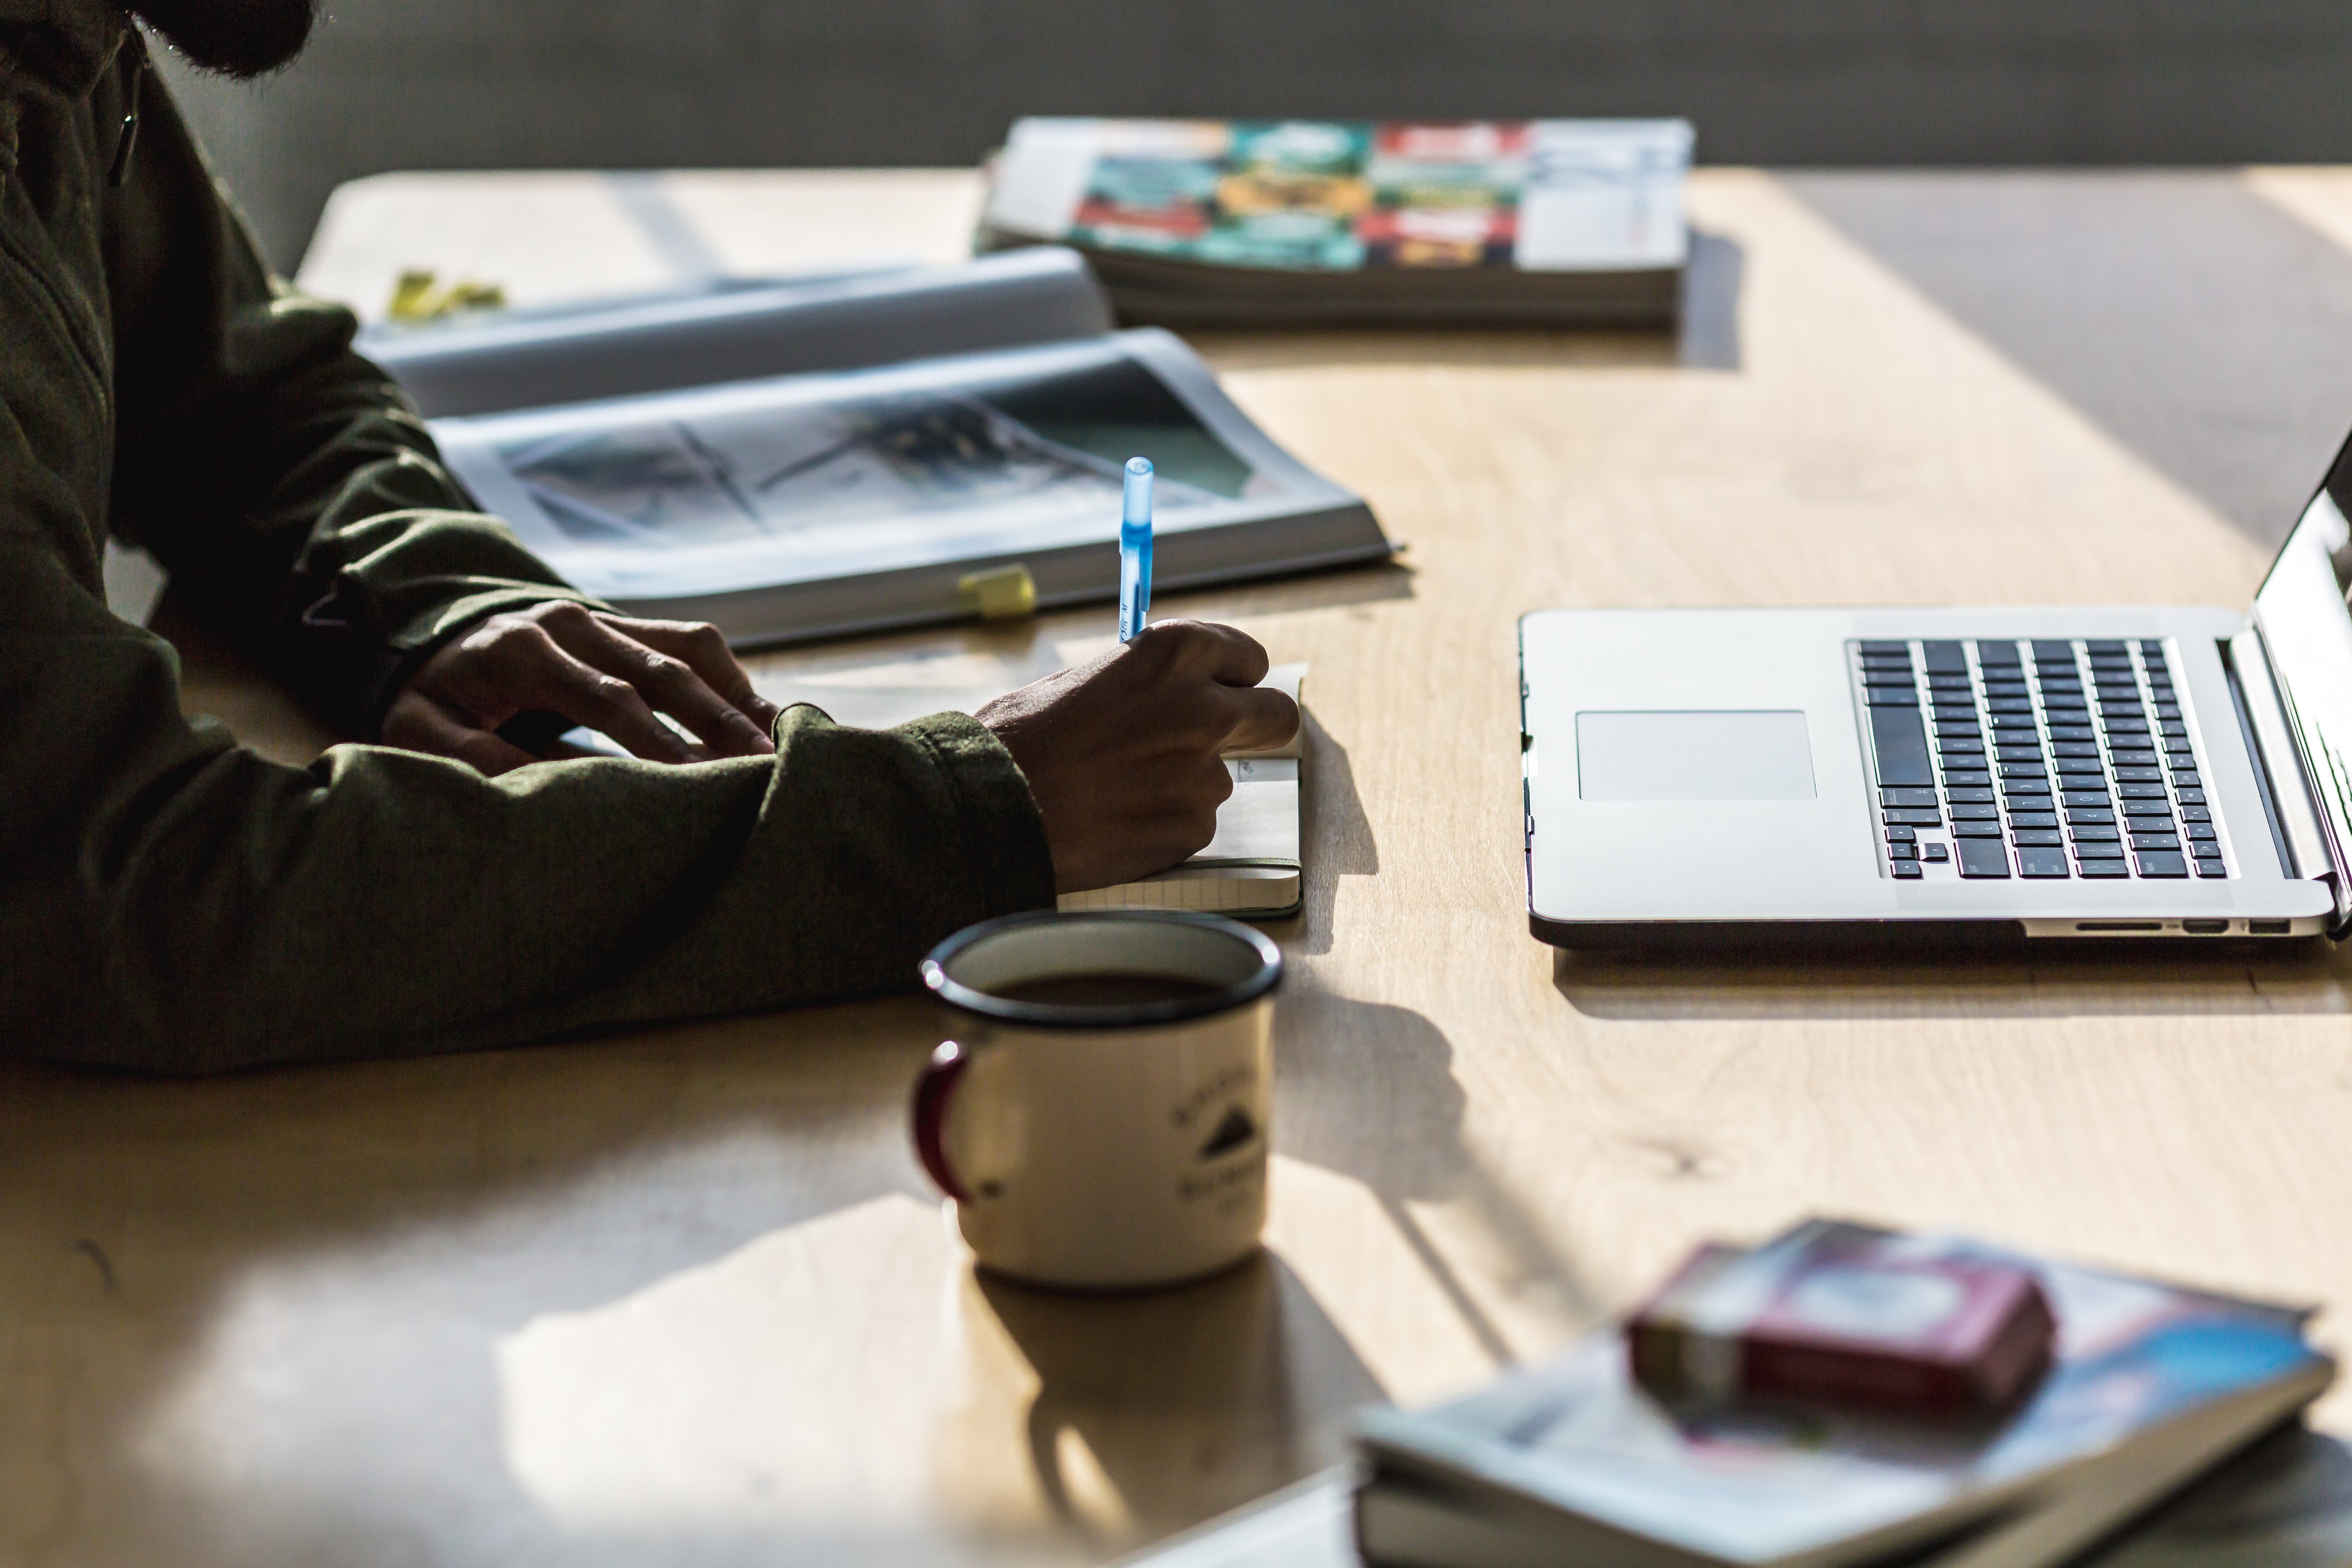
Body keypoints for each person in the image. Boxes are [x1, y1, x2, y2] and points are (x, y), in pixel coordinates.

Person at [0, 0, 1299, 1073]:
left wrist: (431, 605)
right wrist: (956, 814)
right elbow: (145, 891)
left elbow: (243, 395)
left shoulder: (63, 37)